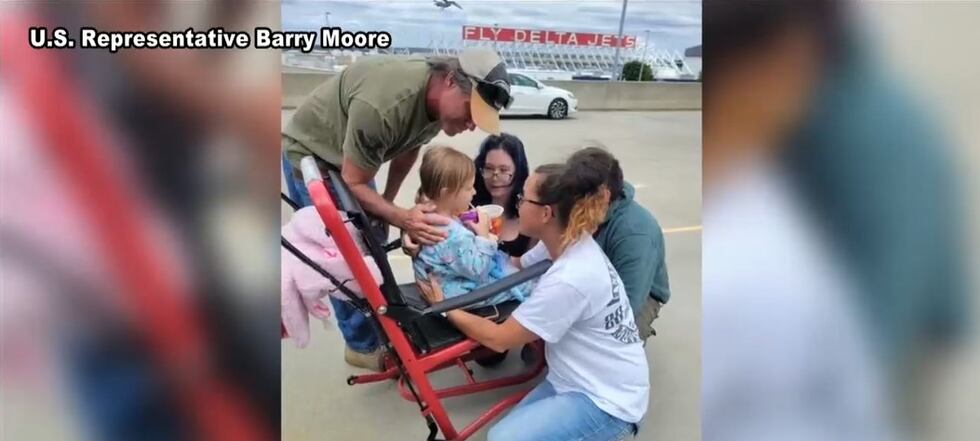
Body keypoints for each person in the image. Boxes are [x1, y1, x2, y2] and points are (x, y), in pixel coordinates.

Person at [281, 47, 514, 370]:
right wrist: (402, 217)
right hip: (316, 154)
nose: (473, 125)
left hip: (352, 163)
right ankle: (362, 346)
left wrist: (386, 209)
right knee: (346, 261)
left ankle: (382, 323)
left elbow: (408, 150)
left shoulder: (434, 105)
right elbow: (354, 181)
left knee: (372, 237)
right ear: (449, 81)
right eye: (471, 111)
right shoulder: (385, 106)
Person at [419, 161, 649, 441]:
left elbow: (499, 339)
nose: (517, 204)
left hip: (606, 402)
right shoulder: (566, 239)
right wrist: (430, 242)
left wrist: (446, 307)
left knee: (501, 439)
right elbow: (514, 265)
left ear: (546, 213)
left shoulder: (570, 278)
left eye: (523, 198)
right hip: (573, 379)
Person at [568, 147, 670, 340]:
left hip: (641, 294)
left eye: (575, 194)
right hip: (598, 279)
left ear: (603, 196)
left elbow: (628, 303)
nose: (568, 201)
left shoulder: (636, 235)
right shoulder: (589, 209)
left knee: (611, 341)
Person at [412, 146, 532, 305]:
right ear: (446, 193)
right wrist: (485, 237)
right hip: (458, 294)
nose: (474, 192)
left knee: (510, 271)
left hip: (445, 282)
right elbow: (478, 271)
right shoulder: (454, 235)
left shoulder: (425, 219)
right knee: (527, 285)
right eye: (469, 188)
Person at [472, 133, 536, 257]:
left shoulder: (529, 216)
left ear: (518, 172)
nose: (495, 177)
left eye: (504, 170)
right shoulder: (468, 209)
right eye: (489, 168)